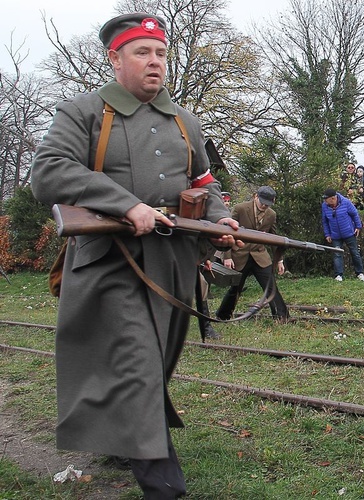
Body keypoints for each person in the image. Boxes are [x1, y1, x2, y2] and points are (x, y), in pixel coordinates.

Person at [30, 13, 240, 498]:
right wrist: (126, 205)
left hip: (172, 261)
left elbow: (204, 184)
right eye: (142, 53)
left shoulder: (184, 120)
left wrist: (220, 219)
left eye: (161, 54)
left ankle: (123, 439)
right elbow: (49, 172)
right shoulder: (82, 111)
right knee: (135, 359)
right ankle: (162, 482)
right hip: (109, 261)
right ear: (115, 58)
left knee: (158, 359)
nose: (154, 63)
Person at [215, 186, 289, 322]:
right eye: (262, 202)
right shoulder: (240, 208)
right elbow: (227, 232)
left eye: (268, 204)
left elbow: (273, 238)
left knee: (270, 286)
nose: (265, 206)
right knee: (235, 289)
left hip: (259, 255)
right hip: (239, 254)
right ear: (255, 197)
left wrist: (279, 260)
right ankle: (223, 316)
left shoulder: (271, 215)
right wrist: (227, 256)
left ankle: (281, 317)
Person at [321, 188, 364, 281]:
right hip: (335, 235)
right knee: (337, 254)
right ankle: (339, 275)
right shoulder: (324, 206)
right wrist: (327, 234)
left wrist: (358, 227)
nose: (325, 201)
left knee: (355, 253)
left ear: (333, 198)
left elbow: (354, 214)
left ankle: (360, 273)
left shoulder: (346, 202)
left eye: (327, 199)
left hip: (349, 232)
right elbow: (325, 221)